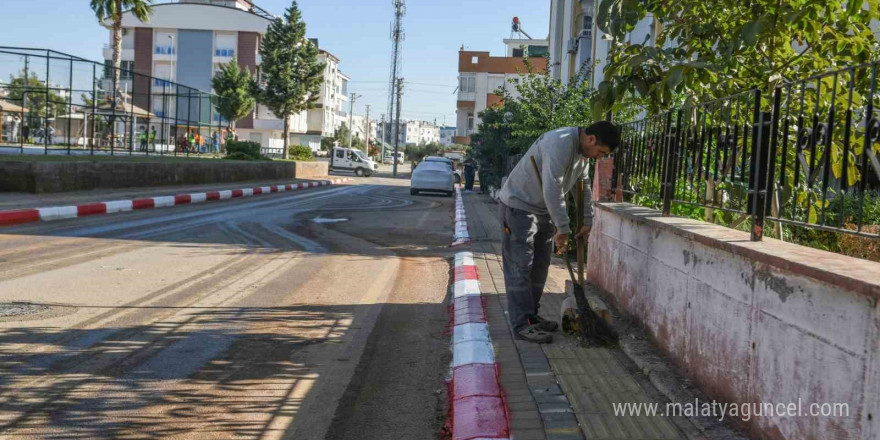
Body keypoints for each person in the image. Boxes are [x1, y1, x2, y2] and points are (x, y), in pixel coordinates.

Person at [497, 121, 620, 344]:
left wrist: (587, 220)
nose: (597, 157)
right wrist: (563, 228)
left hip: (542, 210)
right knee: (520, 267)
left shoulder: (582, 155)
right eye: (600, 152)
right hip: (519, 207)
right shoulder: (560, 143)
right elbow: (552, 187)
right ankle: (520, 324)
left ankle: (531, 316)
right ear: (591, 139)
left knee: (540, 267)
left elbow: (582, 184)